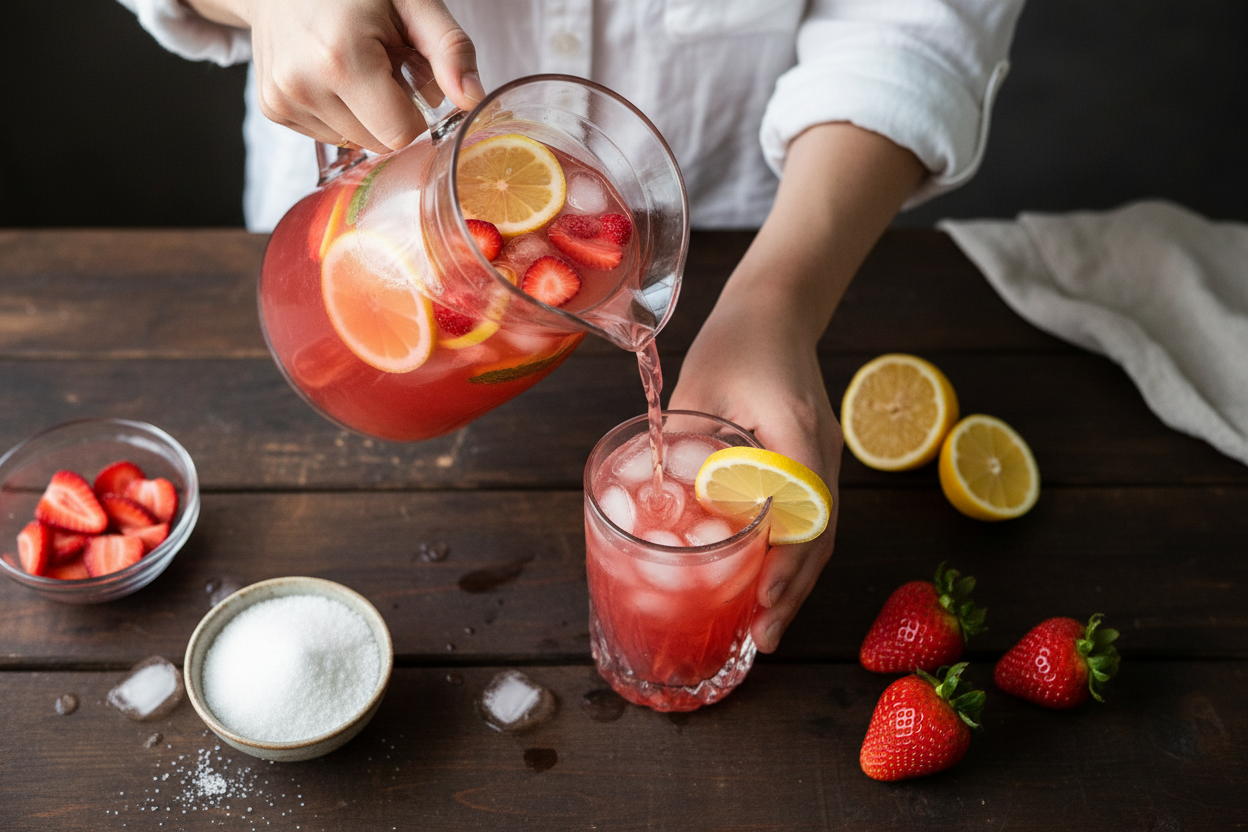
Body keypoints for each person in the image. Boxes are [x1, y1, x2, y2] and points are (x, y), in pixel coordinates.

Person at [119, 0, 1025, 654]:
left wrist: (776, 305)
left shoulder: (615, 279)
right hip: (356, 238)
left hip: (755, 219)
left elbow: (916, 21)